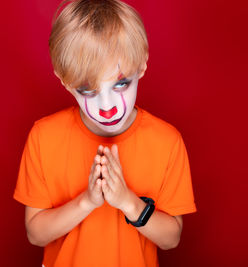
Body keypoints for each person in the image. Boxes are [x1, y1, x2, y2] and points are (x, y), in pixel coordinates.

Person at [13, 0, 196, 266]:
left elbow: (171, 239)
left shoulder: (166, 142)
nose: (107, 106)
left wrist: (128, 202)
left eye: (121, 83)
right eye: (88, 90)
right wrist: (87, 201)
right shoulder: (44, 137)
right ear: (65, 81)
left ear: (142, 65)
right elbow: (35, 234)